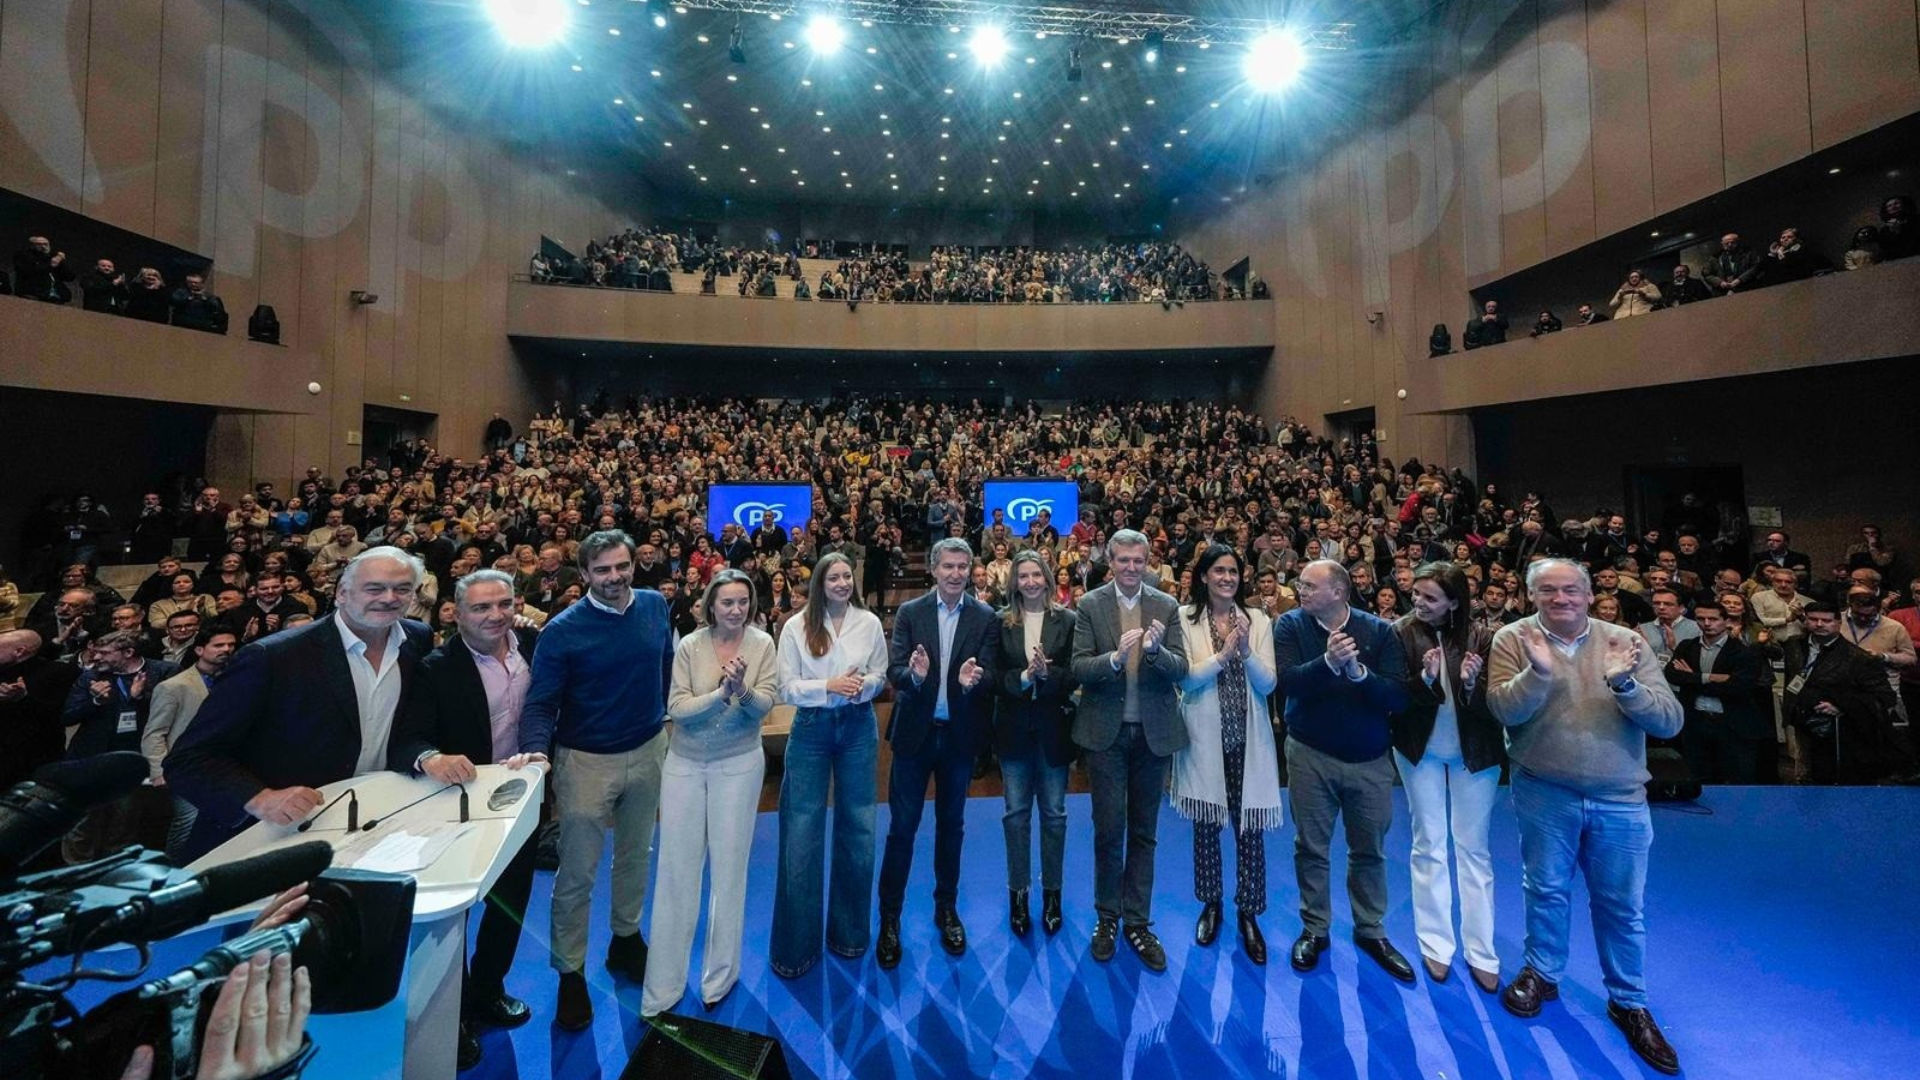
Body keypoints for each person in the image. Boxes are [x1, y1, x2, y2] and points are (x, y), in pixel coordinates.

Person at [1486, 558, 1684, 1076]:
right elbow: (1504, 711)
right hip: (1545, 791)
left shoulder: (1624, 642)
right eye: (1548, 591)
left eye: (1571, 589)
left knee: (1621, 905)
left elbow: (1669, 721)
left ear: (1591, 593)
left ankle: (1628, 1000)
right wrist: (1538, 674)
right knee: (1545, 887)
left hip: (1620, 796)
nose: (1561, 599)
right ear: (1531, 596)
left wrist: (1625, 685)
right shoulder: (1514, 638)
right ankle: (1544, 972)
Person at [166, 547, 434, 862]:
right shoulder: (272, 656)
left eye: (402, 589)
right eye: (374, 588)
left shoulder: (417, 638)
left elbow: (402, 727)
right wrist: (259, 798)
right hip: (270, 837)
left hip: (368, 825)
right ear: (342, 593)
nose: (389, 597)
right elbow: (188, 759)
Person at [384, 569, 542, 1067]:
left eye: (503, 604)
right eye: (481, 608)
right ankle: (452, 1015)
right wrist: (430, 756)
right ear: (456, 612)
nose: (495, 615)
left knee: (510, 904)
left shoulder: (534, 649)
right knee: (456, 915)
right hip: (460, 806)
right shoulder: (434, 667)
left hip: (524, 800)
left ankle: (489, 991)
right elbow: (407, 737)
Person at [515, 530, 673, 1030]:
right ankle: (570, 973)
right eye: (602, 570)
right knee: (577, 874)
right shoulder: (561, 631)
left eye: (621, 566)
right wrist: (538, 752)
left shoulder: (653, 606)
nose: (614, 577)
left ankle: (625, 939)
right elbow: (541, 702)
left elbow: (664, 668)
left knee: (635, 855)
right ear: (583, 575)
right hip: (585, 761)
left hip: (648, 750)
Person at [1273, 559, 1415, 980]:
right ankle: (1315, 928)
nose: (1301, 590)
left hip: (1370, 760)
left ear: (1338, 591)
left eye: (1310, 585)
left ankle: (1370, 929)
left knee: (1369, 850)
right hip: (1309, 755)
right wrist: (1329, 664)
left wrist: (1358, 673)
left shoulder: (1380, 631)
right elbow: (1288, 683)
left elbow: (1397, 698)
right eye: (1300, 583)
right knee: (1311, 848)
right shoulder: (1290, 626)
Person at [644, 569, 776, 1016]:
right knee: (676, 869)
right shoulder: (689, 645)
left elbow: (765, 705)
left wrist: (742, 692)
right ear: (710, 605)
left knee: (729, 869)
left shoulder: (763, 644)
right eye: (727, 603)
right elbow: (677, 709)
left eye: (742, 602)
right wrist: (723, 693)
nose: (735, 610)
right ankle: (662, 986)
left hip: (740, 765)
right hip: (683, 763)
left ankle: (720, 976)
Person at [1070, 529, 1189, 972]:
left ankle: (1137, 920)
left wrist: (1156, 653)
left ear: (1148, 562)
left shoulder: (1166, 605)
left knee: (1144, 832)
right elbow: (1080, 667)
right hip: (1106, 735)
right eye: (1123, 560)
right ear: (1111, 561)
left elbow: (1180, 670)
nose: (1131, 568)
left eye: (1138, 561)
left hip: (1153, 735)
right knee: (1108, 831)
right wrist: (1115, 660)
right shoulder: (1090, 604)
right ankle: (1107, 918)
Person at [877, 538, 997, 967]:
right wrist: (912, 675)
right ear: (933, 568)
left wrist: (973, 681)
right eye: (948, 565)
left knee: (952, 827)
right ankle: (889, 919)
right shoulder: (911, 613)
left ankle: (946, 909)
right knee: (902, 830)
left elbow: (990, 676)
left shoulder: (985, 617)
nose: (956, 573)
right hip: (914, 736)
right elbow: (893, 673)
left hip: (958, 737)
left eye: (963, 566)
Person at [771, 552, 889, 978]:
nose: (841, 582)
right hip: (811, 729)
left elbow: (880, 674)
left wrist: (863, 687)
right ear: (820, 582)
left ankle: (850, 935)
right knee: (801, 833)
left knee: (859, 831)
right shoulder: (795, 626)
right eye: (833, 577)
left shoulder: (869, 622)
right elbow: (786, 688)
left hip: (858, 727)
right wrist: (829, 686)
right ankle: (795, 949)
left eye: (846, 576)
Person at [1389, 563, 1504, 991]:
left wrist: (1473, 686)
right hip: (1418, 750)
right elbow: (1394, 698)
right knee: (1429, 844)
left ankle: (1482, 950)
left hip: (1475, 754)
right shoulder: (1400, 633)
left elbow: (1500, 707)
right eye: (1416, 594)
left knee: (1474, 849)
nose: (1418, 602)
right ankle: (1436, 943)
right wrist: (1423, 681)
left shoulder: (1486, 637)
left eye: (1430, 597)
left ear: (1455, 601)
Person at [1171, 545, 1282, 963]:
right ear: (1203, 576)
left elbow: (1269, 684)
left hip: (1247, 739)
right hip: (1203, 739)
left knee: (1248, 828)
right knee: (1206, 825)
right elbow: (1186, 679)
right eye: (1218, 570)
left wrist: (1247, 653)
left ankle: (1249, 911)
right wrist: (1221, 656)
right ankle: (1211, 903)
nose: (1227, 578)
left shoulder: (1258, 621)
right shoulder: (1185, 619)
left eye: (1233, 571)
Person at [993, 550, 1077, 938]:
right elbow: (994, 677)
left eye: (1035, 575)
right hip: (1012, 732)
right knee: (1015, 816)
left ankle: (1053, 895)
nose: (1029, 582)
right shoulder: (1000, 623)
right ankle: (1018, 895)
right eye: (1022, 576)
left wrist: (1048, 674)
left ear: (1047, 579)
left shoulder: (1068, 621)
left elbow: (1076, 675)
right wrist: (1025, 677)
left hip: (1054, 732)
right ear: (1015, 582)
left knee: (1055, 816)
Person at [60, 630, 180, 862]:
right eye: (96, 652)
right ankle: (75, 873)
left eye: (104, 653)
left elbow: (171, 713)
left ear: (128, 652)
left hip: (133, 761)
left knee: (123, 823)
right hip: (92, 758)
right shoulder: (90, 677)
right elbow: (68, 716)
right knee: (81, 823)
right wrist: (95, 701)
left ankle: (111, 871)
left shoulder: (163, 671)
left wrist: (140, 697)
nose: (97, 658)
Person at [142, 625, 238, 861]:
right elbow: (155, 732)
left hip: (227, 765)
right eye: (218, 645)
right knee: (189, 821)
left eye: (231, 645)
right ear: (199, 649)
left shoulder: (237, 679)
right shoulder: (174, 686)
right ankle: (172, 870)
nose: (226, 650)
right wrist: (158, 770)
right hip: (187, 767)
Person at [1666, 599, 1772, 785]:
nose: (1707, 624)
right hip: (1695, 721)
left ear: (1725, 621)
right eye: (1701, 619)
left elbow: (1737, 687)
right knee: (1698, 777)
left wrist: (1693, 677)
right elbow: (1673, 675)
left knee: (1736, 779)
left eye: (1713, 619)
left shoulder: (1743, 652)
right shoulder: (1687, 646)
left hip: (1732, 724)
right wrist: (1713, 677)